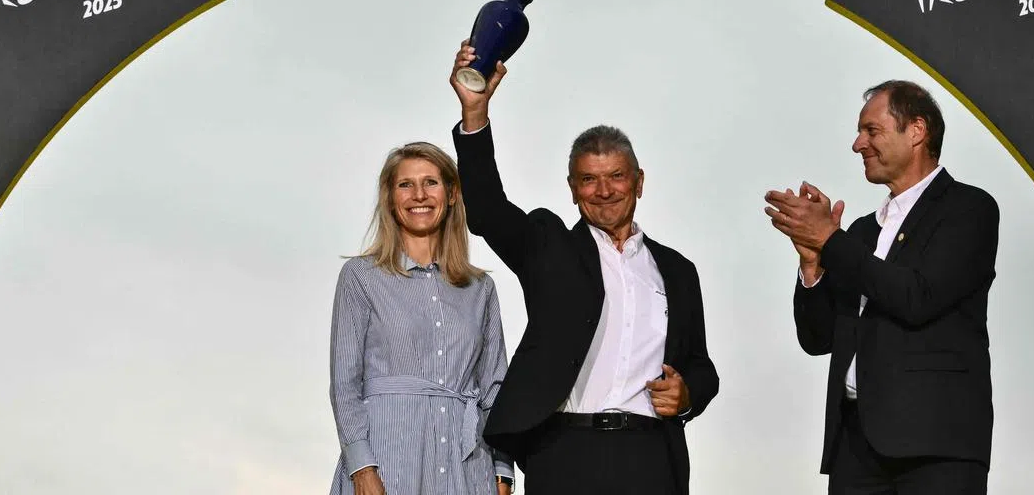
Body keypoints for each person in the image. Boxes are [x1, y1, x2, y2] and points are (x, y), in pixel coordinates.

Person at [448, 41, 719, 495]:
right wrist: (475, 113)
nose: (604, 190)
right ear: (572, 189)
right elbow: (489, 211)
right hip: (563, 453)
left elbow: (701, 365)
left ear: (639, 182)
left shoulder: (677, 270)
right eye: (589, 179)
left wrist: (688, 393)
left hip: (652, 455)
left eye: (616, 176)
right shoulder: (548, 246)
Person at [764, 80, 999, 494]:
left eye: (871, 130)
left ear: (917, 131)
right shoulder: (859, 232)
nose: (858, 144)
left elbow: (917, 297)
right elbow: (818, 338)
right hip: (855, 451)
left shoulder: (969, 209)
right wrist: (813, 263)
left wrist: (830, 241)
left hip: (935, 447)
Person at [329, 142, 514, 495]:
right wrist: (362, 468)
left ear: (452, 194)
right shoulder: (360, 277)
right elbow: (344, 385)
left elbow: (495, 388)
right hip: (387, 463)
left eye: (431, 182)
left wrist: (503, 469)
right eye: (405, 184)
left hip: (467, 466)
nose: (419, 195)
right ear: (390, 198)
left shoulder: (480, 288)